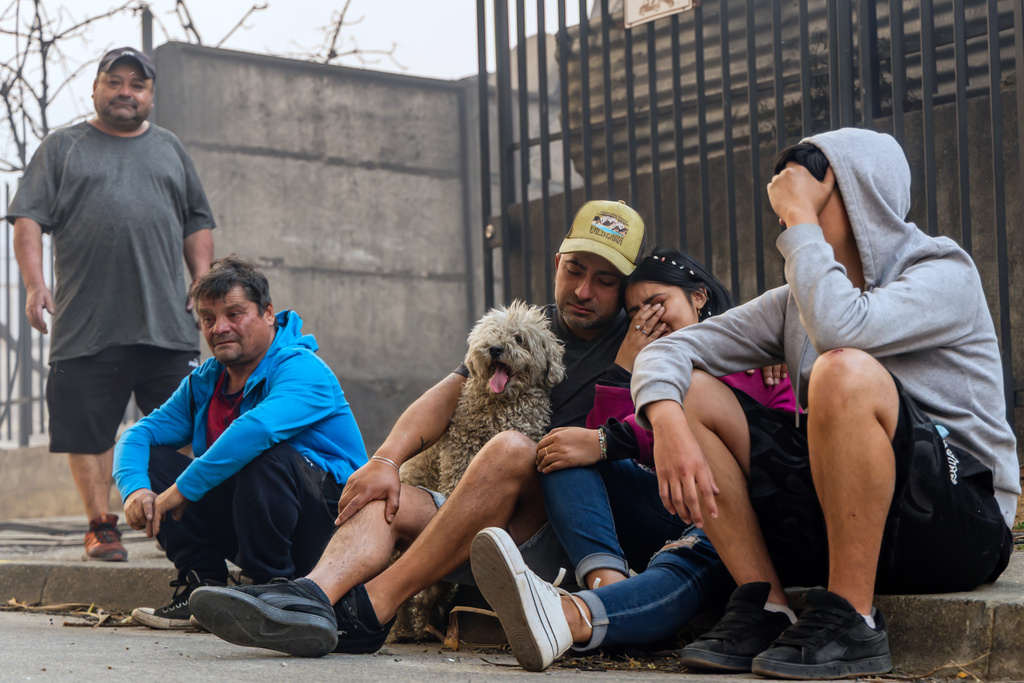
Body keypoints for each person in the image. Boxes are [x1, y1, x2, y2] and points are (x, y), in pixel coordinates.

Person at [627, 128, 1017, 679]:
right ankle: (765, 605)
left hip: (961, 523)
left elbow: (842, 329)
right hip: (847, 519)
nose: (789, 221)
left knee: (844, 371)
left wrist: (804, 226)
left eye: (806, 203)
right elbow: (672, 350)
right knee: (688, 387)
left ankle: (854, 619)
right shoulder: (798, 303)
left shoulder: (943, 274)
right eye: (785, 210)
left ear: (862, 198)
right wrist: (665, 419)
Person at [187, 199, 649, 658]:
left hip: (554, 537)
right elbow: (445, 396)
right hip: (475, 516)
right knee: (384, 492)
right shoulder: (527, 323)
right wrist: (386, 460)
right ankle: (311, 598)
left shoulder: (642, 340)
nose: (584, 290)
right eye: (574, 270)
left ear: (627, 288)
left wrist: (626, 367)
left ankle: (372, 607)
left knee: (513, 447)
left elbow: (634, 443)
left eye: (605, 281)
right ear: (556, 263)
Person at [470, 247, 797, 671]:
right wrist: (624, 366)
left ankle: (570, 615)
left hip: (725, 516)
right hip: (659, 505)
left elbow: (776, 452)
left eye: (657, 304)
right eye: (635, 311)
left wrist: (611, 441)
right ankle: (610, 584)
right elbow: (600, 439)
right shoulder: (646, 365)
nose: (648, 319)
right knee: (560, 453)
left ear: (697, 298)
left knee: (692, 551)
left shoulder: (759, 362)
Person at [10, 47, 216, 562]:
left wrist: (204, 285)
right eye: (115, 81)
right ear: (97, 88)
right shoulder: (62, 147)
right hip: (86, 322)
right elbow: (27, 220)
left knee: (192, 425)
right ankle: (101, 525)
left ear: (150, 94)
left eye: (137, 84)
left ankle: (194, 517)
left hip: (167, 321)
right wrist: (36, 286)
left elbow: (197, 221)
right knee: (89, 429)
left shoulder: (170, 148)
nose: (126, 91)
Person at [113, 256, 367, 629]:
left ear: (267, 313)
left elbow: (256, 430)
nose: (220, 328)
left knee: (263, 454)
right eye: (209, 318)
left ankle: (273, 593)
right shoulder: (205, 382)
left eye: (234, 314)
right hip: (256, 519)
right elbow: (139, 434)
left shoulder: (303, 368)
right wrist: (135, 490)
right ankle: (204, 590)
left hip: (330, 531)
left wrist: (180, 491)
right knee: (154, 463)